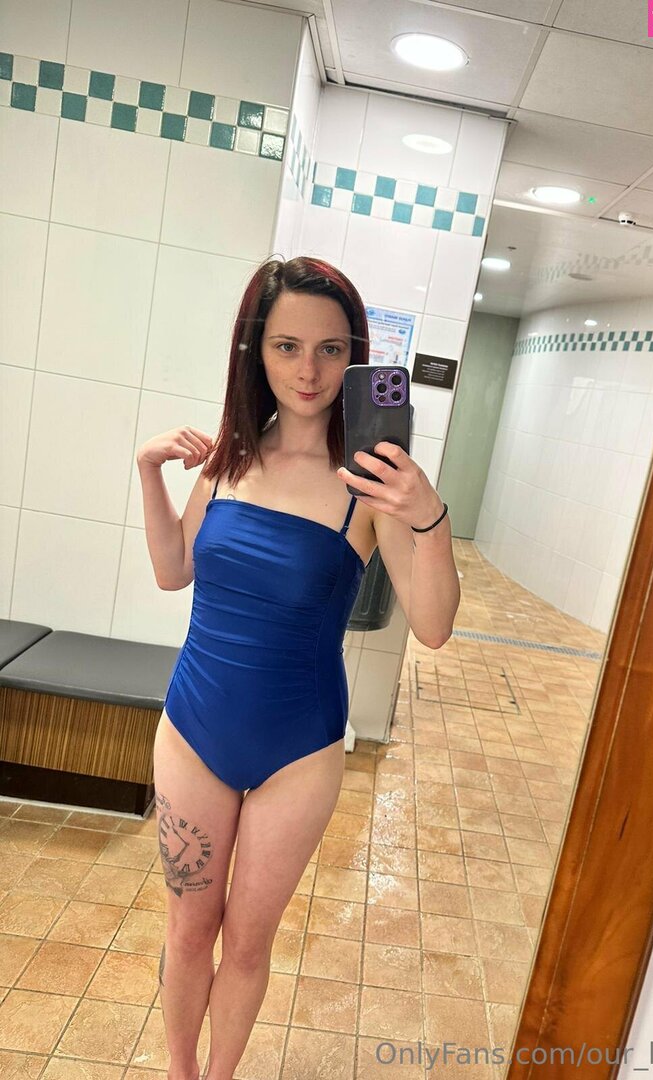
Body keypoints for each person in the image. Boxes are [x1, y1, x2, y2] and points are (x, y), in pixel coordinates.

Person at [136, 255, 460, 1080]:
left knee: (248, 942)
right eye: (287, 347)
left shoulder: (370, 486)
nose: (308, 371)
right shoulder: (228, 459)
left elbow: (433, 627)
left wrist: (429, 517)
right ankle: (180, 1073)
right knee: (188, 930)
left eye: (330, 349)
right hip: (194, 728)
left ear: (355, 357)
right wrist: (148, 472)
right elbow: (174, 571)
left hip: (299, 749)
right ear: (258, 352)